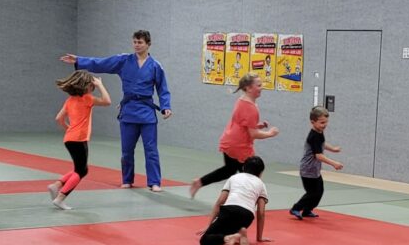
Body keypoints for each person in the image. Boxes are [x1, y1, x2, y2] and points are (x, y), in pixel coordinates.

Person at [61, 30, 172, 191]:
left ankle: (154, 182)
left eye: (140, 42)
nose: (136, 45)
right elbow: (101, 63)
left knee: (151, 150)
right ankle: (127, 179)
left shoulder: (155, 66)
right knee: (126, 150)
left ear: (148, 44)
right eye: (134, 42)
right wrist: (79, 60)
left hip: (147, 113)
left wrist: (166, 106)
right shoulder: (124, 60)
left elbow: (163, 88)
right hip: (128, 111)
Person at [190, 74, 278, 197]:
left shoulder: (242, 100)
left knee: (229, 170)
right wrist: (270, 133)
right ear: (248, 88)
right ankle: (247, 201)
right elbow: (253, 134)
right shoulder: (251, 107)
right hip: (239, 145)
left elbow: (244, 124)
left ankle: (200, 182)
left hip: (230, 140)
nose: (261, 88)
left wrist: (258, 125)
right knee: (253, 174)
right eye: (258, 85)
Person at [47, 70, 112, 210]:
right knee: (81, 171)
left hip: (69, 138)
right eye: (92, 85)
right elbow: (107, 101)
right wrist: (101, 85)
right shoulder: (87, 98)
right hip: (79, 139)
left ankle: (57, 185)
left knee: (80, 169)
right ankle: (60, 197)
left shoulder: (69, 100)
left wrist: (68, 128)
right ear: (87, 86)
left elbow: (59, 118)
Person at [199, 156, 269, 245]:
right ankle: (239, 230)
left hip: (229, 210)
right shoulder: (261, 184)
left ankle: (227, 237)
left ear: (243, 168)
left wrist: (209, 225)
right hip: (247, 216)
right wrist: (259, 238)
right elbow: (261, 212)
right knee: (231, 226)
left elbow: (220, 202)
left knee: (205, 241)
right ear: (260, 173)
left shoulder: (234, 178)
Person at [290, 107, 342, 219]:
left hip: (314, 170)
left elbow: (322, 144)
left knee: (319, 192)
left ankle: (307, 210)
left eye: (326, 122)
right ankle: (296, 208)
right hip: (308, 170)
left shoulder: (319, 132)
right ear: (313, 122)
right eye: (322, 122)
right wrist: (334, 163)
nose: (325, 125)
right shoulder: (313, 135)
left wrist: (333, 149)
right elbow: (318, 155)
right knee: (312, 193)